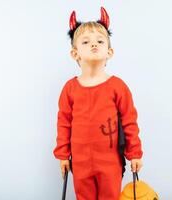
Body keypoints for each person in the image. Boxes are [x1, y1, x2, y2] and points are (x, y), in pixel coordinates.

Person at [53, 7, 143, 200]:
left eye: (100, 41)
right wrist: (63, 154)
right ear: (75, 53)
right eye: (86, 42)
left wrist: (134, 153)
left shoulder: (118, 86)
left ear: (109, 51)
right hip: (80, 161)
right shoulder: (70, 88)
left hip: (110, 162)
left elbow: (129, 122)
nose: (94, 45)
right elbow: (63, 123)